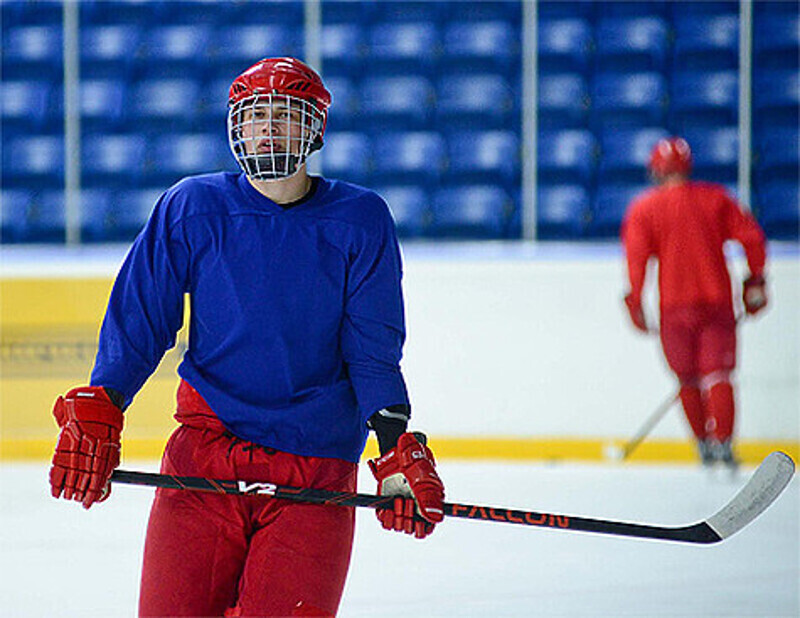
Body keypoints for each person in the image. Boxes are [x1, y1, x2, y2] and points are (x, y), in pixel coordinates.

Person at [48, 57, 445, 617]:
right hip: (205, 459)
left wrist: (394, 449)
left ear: (314, 128)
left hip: (314, 469)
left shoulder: (361, 220)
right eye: (256, 115)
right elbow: (141, 318)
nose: (267, 128)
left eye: (285, 115)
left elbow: (373, 350)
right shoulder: (193, 207)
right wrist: (103, 403)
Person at [621, 136, 768, 468]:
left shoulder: (645, 208)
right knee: (718, 374)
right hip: (717, 300)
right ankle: (723, 443)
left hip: (674, 305)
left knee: (686, 376)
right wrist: (755, 281)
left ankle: (703, 444)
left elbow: (636, 260)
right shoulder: (715, 198)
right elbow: (753, 238)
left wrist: (635, 300)